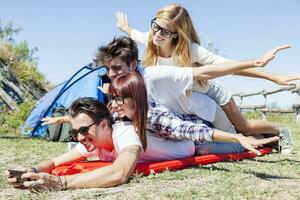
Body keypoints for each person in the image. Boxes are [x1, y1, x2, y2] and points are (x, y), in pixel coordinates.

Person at [6, 73, 278, 191]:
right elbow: (55, 162)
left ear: (104, 125)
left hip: (199, 141)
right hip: (191, 131)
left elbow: (120, 173)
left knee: (244, 145)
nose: (79, 138)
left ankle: (271, 138)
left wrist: (60, 184)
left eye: (83, 131)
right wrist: (31, 170)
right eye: (75, 132)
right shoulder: (98, 131)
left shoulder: (125, 132)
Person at [116, 4, 297, 149]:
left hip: (211, 92)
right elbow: (133, 33)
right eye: (155, 26)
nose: (157, 33)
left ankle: (278, 130)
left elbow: (228, 67)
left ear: (177, 35)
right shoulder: (150, 38)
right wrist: (124, 27)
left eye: (165, 31)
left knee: (243, 127)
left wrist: (273, 77)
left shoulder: (190, 50)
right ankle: (265, 139)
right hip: (188, 99)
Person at [96, 36, 293, 153]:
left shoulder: (155, 75)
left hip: (207, 109)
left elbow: (205, 71)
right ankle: (262, 138)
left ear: (132, 64)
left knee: (240, 134)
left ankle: (275, 133)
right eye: (108, 69)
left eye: (116, 68)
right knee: (223, 139)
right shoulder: (123, 86)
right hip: (188, 118)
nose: (111, 74)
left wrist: (255, 64)